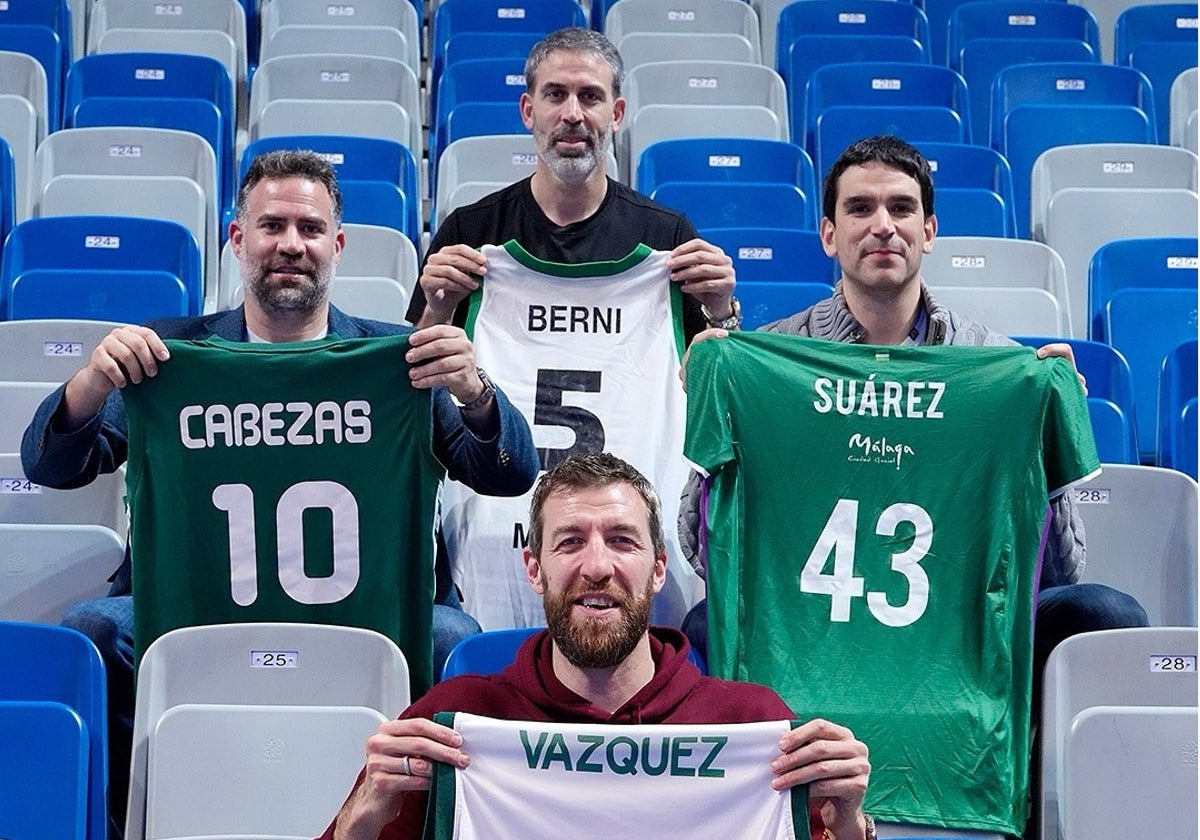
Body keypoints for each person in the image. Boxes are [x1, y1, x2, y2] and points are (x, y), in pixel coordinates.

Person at [20, 150, 540, 839]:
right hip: (194, 608)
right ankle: (125, 821)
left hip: (366, 609)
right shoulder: (169, 356)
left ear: (338, 245)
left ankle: (424, 824)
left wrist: (475, 394)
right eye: (271, 226)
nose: (290, 244)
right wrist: (90, 384)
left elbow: (509, 472)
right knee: (99, 626)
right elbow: (51, 466)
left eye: (309, 228)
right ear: (237, 238)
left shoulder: (401, 359)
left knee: (454, 636)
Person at [678, 135, 1147, 834]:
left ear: (929, 231)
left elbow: (1059, 570)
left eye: (902, 208)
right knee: (698, 625)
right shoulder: (767, 360)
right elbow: (701, 550)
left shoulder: (998, 368)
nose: (883, 225)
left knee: (1103, 611)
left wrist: (1044, 443)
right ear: (830, 233)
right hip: (817, 618)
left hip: (953, 627)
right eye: (860, 208)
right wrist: (716, 404)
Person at [321, 453, 874, 840]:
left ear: (659, 568)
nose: (597, 567)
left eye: (621, 541)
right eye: (569, 543)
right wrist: (362, 818)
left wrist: (849, 825)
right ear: (534, 568)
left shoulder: (751, 726)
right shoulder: (454, 721)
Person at [409, 26, 742, 340]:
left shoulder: (667, 239)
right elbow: (414, 377)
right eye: (555, 94)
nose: (572, 114)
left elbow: (723, 382)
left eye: (590, 97)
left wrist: (721, 309)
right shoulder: (469, 232)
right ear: (528, 111)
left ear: (617, 115)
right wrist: (440, 310)